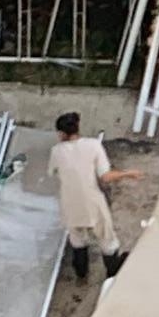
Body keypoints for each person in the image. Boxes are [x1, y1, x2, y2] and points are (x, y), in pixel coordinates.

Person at [51, 111, 126, 284]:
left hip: (69, 203)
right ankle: (112, 274)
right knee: (107, 239)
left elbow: (53, 172)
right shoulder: (93, 146)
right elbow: (105, 176)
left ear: (61, 134)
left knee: (77, 239)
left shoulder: (56, 151)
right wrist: (127, 173)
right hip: (92, 202)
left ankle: (81, 274)